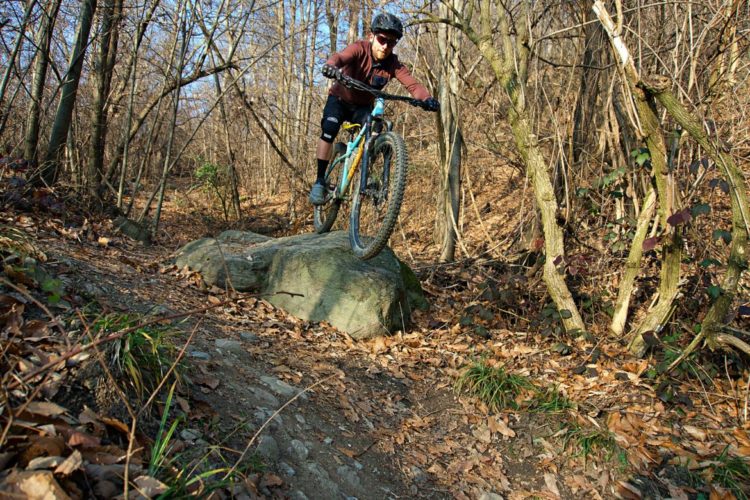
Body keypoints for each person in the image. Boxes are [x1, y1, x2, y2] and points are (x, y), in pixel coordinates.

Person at [309, 12, 439, 205]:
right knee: (329, 129)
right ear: (372, 36)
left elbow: (412, 85)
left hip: (362, 107)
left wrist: (427, 99)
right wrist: (330, 66)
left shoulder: (393, 64)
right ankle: (320, 181)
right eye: (382, 39)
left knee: (376, 131)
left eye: (392, 43)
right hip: (339, 100)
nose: (386, 46)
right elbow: (340, 57)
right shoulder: (359, 48)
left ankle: (369, 178)